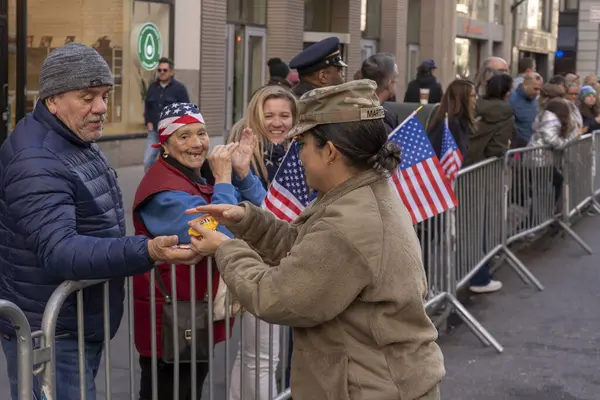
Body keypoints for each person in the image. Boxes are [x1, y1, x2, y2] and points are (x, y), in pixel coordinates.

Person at [186, 79, 445, 400]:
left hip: (369, 387)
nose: (299, 156)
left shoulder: (350, 219)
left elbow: (276, 296)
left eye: (303, 145)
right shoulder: (359, 193)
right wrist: (249, 221)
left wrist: (225, 248)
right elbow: (305, 247)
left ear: (331, 151)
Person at [0, 42, 202, 400]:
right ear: (52, 100)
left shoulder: (72, 139)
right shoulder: (36, 158)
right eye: (87, 96)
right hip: (51, 333)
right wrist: (147, 250)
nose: (101, 108)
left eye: (105, 95)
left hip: (73, 325)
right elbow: (60, 251)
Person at [133, 102, 266, 399]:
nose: (197, 144)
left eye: (202, 133)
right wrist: (223, 179)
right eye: (184, 136)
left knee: (191, 388)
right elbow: (215, 231)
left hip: (192, 314)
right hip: (172, 320)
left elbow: (266, 214)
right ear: (164, 145)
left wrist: (242, 174)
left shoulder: (195, 177)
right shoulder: (163, 191)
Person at [226, 85, 298, 399]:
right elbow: (267, 215)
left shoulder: (297, 154)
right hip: (257, 264)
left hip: (283, 262)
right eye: (268, 115)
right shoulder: (245, 155)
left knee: (254, 355)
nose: (277, 122)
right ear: (255, 117)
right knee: (264, 357)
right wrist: (243, 174)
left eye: (284, 115)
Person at [144, 57, 190, 172]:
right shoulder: (152, 87)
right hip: (154, 131)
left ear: (171, 72)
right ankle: (150, 185)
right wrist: (148, 123)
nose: (162, 73)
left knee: (171, 162)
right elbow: (147, 107)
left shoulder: (180, 89)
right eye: (159, 70)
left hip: (172, 132)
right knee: (148, 161)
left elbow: (185, 109)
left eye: (165, 70)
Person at [427, 79, 476, 160]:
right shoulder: (451, 124)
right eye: (473, 96)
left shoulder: (459, 123)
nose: (475, 99)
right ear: (462, 98)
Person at [358, 53, 401, 132]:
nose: (397, 81)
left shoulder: (354, 108)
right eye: (396, 77)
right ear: (389, 82)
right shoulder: (383, 126)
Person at [509, 72, 543, 148]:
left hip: (531, 148)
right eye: (535, 89)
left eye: (540, 89)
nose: (538, 92)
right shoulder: (512, 99)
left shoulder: (537, 100)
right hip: (516, 149)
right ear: (525, 85)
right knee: (516, 159)